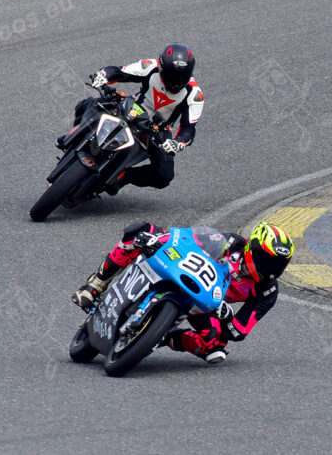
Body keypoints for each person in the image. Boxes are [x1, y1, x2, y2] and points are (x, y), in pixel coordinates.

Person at [71, 221, 294, 364]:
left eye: (278, 265)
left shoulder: (267, 292)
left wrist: (225, 316)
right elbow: (187, 239)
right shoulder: (231, 243)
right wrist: (159, 240)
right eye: (268, 261)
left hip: (207, 306)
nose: (272, 270)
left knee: (215, 348)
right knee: (142, 231)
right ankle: (96, 284)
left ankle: (163, 337)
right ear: (251, 248)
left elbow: (238, 332)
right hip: (182, 272)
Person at [57, 43, 203, 192]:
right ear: (162, 67)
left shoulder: (195, 95)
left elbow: (188, 129)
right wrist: (103, 76)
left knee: (164, 175)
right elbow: (119, 72)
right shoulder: (151, 66)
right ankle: (75, 137)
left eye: (181, 76)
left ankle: (124, 176)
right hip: (131, 109)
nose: (176, 80)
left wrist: (177, 143)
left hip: (157, 130)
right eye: (171, 74)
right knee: (89, 104)